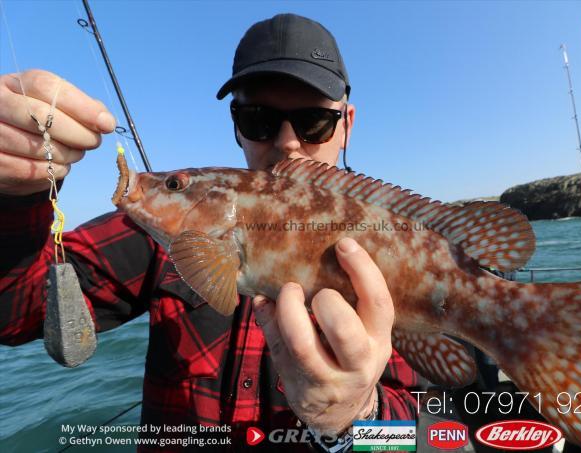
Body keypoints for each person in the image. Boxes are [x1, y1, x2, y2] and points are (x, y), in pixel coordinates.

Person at [0, 14, 424, 451]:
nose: (289, 143)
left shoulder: (400, 247)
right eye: (259, 118)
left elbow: (439, 434)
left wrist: (356, 418)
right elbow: (16, 309)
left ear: (347, 123)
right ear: (236, 125)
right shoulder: (162, 237)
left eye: (314, 121)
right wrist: (14, 193)